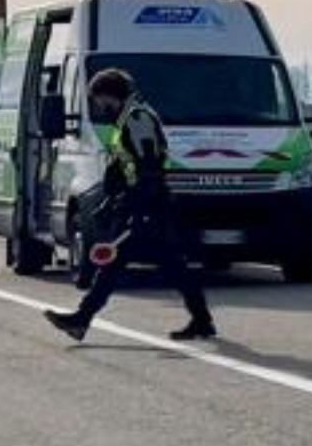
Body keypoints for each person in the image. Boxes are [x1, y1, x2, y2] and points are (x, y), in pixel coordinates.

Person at [44, 68, 217, 342]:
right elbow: (125, 162)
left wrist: (142, 208)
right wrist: (110, 198)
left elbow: (148, 164)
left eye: (100, 99)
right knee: (171, 264)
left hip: (147, 203)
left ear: (111, 96)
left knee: (119, 263)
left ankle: (81, 319)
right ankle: (202, 319)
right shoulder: (127, 118)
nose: (99, 106)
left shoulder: (137, 118)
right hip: (139, 201)